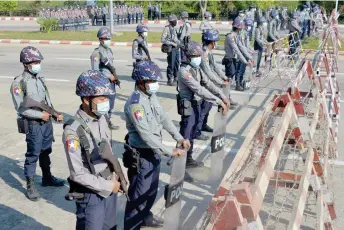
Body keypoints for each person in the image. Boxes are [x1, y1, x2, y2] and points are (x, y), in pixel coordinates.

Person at [123, 60, 190, 229]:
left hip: (154, 152)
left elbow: (163, 118)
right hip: (142, 154)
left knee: (151, 191)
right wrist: (169, 151)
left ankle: (146, 216)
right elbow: (145, 134)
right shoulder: (135, 103)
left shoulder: (150, 96)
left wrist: (179, 137)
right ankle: (132, 226)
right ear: (140, 82)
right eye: (151, 81)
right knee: (138, 194)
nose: (154, 84)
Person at [63, 70, 121, 230]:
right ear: (86, 99)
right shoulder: (73, 131)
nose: (106, 102)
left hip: (110, 184)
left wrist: (117, 174)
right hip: (91, 195)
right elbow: (78, 174)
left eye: (107, 98)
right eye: (102, 98)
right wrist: (109, 186)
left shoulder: (101, 118)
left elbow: (107, 150)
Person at [10, 46, 65, 201]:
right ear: (26, 64)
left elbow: (46, 102)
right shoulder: (18, 83)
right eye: (34, 61)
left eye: (38, 61)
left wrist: (54, 114)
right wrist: (40, 115)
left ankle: (47, 178)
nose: (37, 64)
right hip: (33, 124)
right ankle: (30, 184)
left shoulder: (40, 79)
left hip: (46, 123)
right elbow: (21, 108)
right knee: (33, 153)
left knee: (46, 151)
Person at [178, 41, 229, 169]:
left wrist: (222, 95)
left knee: (193, 133)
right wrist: (218, 101)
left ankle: (188, 159)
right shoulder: (185, 71)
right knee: (186, 134)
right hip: (188, 106)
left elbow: (207, 83)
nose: (198, 58)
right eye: (196, 56)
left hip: (196, 104)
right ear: (189, 56)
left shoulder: (197, 68)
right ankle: (180, 165)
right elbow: (199, 89)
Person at [198, 30, 236, 140]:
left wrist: (224, 77)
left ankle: (203, 125)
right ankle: (197, 130)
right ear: (211, 42)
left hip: (210, 83)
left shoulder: (209, 52)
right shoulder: (204, 53)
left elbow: (215, 66)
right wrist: (220, 82)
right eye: (215, 41)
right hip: (204, 83)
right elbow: (208, 71)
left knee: (208, 106)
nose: (216, 43)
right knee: (204, 107)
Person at [95, 27, 121, 130]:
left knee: (111, 102)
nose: (107, 40)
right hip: (103, 82)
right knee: (104, 103)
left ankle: (108, 121)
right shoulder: (97, 53)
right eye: (106, 38)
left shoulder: (109, 50)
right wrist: (108, 76)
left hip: (112, 81)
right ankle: (102, 123)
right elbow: (95, 71)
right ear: (100, 39)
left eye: (108, 38)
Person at [223, 18, 253, 91]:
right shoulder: (231, 36)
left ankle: (228, 95)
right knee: (229, 77)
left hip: (233, 59)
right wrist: (245, 61)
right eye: (241, 27)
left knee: (231, 77)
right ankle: (226, 95)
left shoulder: (236, 35)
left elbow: (241, 47)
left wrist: (250, 57)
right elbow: (237, 50)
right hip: (229, 59)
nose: (241, 29)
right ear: (238, 27)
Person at [161, 14, 181, 86]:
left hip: (176, 48)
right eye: (174, 21)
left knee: (177, 64)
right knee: (171, 65)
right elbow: (163, 39)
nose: (176, 22)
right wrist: (172, 43)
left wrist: (179, 43)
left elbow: (177, 38)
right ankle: (169, 79)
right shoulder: (167, 28)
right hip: (171, 49)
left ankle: (176, 77)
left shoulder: (176, 28)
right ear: (171, 21)